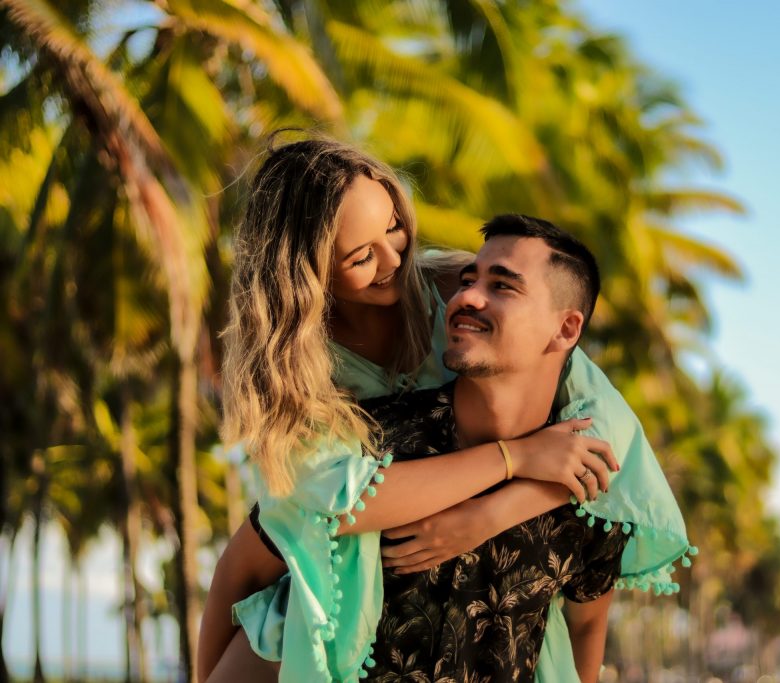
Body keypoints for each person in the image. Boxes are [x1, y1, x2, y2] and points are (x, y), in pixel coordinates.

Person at [199, 138, 696, 682]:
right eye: (361, 256)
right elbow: (304, 520)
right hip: (336, 591)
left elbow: (605, 440)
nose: (396, 259)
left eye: (394, 226)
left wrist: (490, 514)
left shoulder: (450, 289)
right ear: (307, 276)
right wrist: (515, 457)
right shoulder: (302, 378)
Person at [249, 214, 632, 680]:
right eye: (468, 280)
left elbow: (587, 623)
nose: (466, 296)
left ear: (566, 330)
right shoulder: (366, 441)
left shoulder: (590, 483)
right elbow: (250, 570)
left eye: (503, 286)